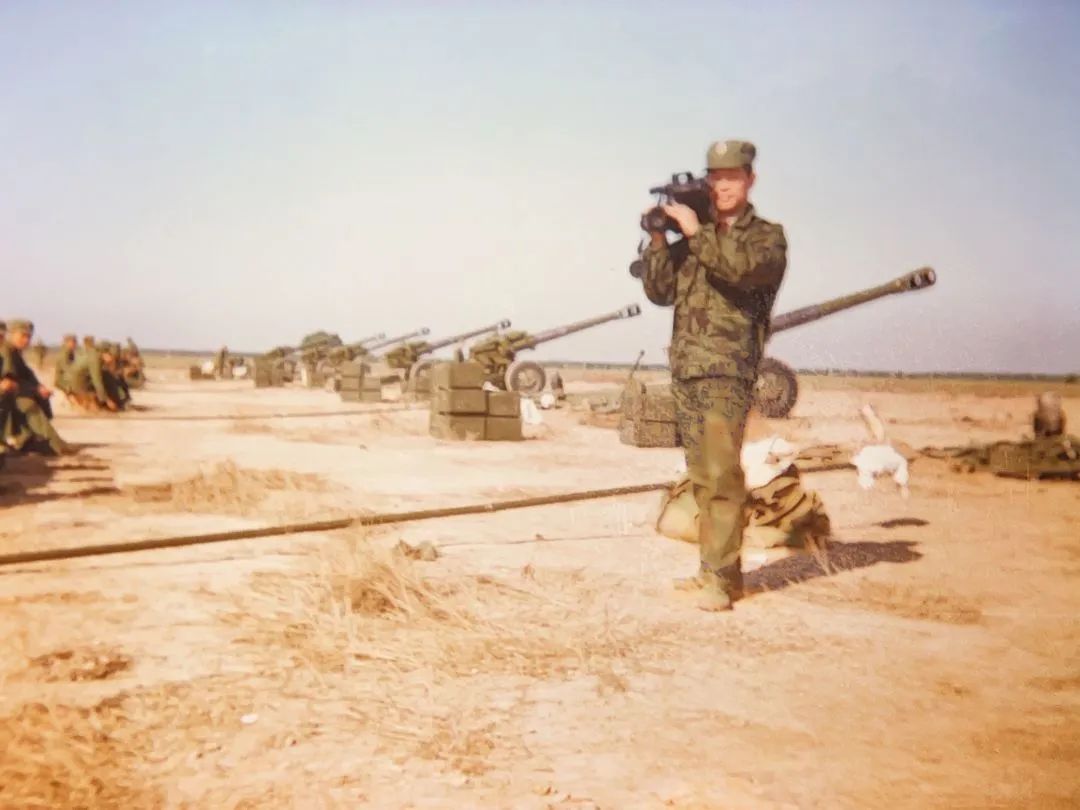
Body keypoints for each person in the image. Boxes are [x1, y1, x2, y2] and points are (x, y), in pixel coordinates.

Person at [636, 140, 788, 611]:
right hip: (688, 369)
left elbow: (738, 270)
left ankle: (720, 582)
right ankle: (716, 572)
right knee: (702, 476)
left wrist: (694, 231)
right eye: (715, 178)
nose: (722, 187)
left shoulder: (765, 237)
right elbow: (660, 291)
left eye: (732, 178)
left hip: (727, 369)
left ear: (750, 180)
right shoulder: (694, 239)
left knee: (722, 475)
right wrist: (658, 239)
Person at [0, 319, 72, 455]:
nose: (26, 340)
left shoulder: (14, 352)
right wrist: (34, 389)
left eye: (29, 337)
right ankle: (54, 444)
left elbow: (25, 374)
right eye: (23, 336)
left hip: (9, 393)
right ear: (11, 334)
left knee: (38, 398)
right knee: (27, 404)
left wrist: (38, 387)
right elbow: (10, 381)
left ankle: (28, 439)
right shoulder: (6, 350)